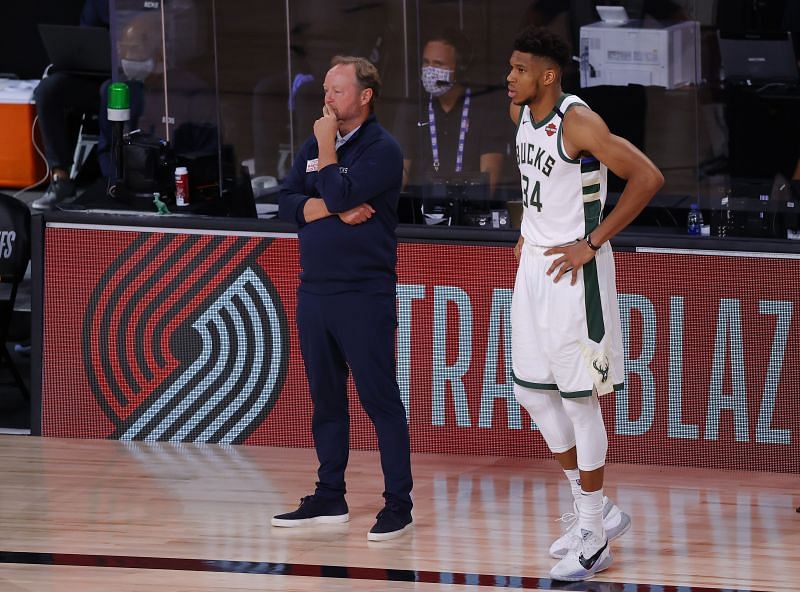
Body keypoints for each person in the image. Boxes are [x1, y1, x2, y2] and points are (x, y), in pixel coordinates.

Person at [506, 27, 663, 581]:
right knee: (531, 391)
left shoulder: (578, 121)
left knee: (579, 402)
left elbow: (647, 177)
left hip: (578, 274)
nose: (510, 77)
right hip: (535, 268)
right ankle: (599, 510)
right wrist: (529, 228)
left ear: (548, 75)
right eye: (510, 68)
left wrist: (591, 244)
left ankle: (595, 534)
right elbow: (534, 181)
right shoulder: (520, 114)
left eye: (520, 70)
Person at [273, 55, 413, 541]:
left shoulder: (382, 150)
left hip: (362, 293)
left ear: (364, 96)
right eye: (326, 91)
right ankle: (329, 495)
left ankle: (399, 504)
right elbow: (286, 201)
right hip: (314, 291)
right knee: (325, 400)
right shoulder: (315, 143)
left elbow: (332, 190)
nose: (327, 99)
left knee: (380, 400)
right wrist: (331, 210)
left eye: (336, 90)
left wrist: (329, 162)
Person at [397, 29, 507, 224]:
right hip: (422, 218)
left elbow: (490, 173)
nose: (430, 70)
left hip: (472, 217)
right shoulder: (414, 106)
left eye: (438, 64)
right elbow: (401, 171)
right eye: (426, 62)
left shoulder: (484, 107)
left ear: (461, 68)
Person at [31, 0, 109, 210]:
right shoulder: (98, 3)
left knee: (110, 91)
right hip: (95, 76)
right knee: (48, 90)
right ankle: (61, 178)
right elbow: (84, 43)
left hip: (135, 77)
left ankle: (111, 178)